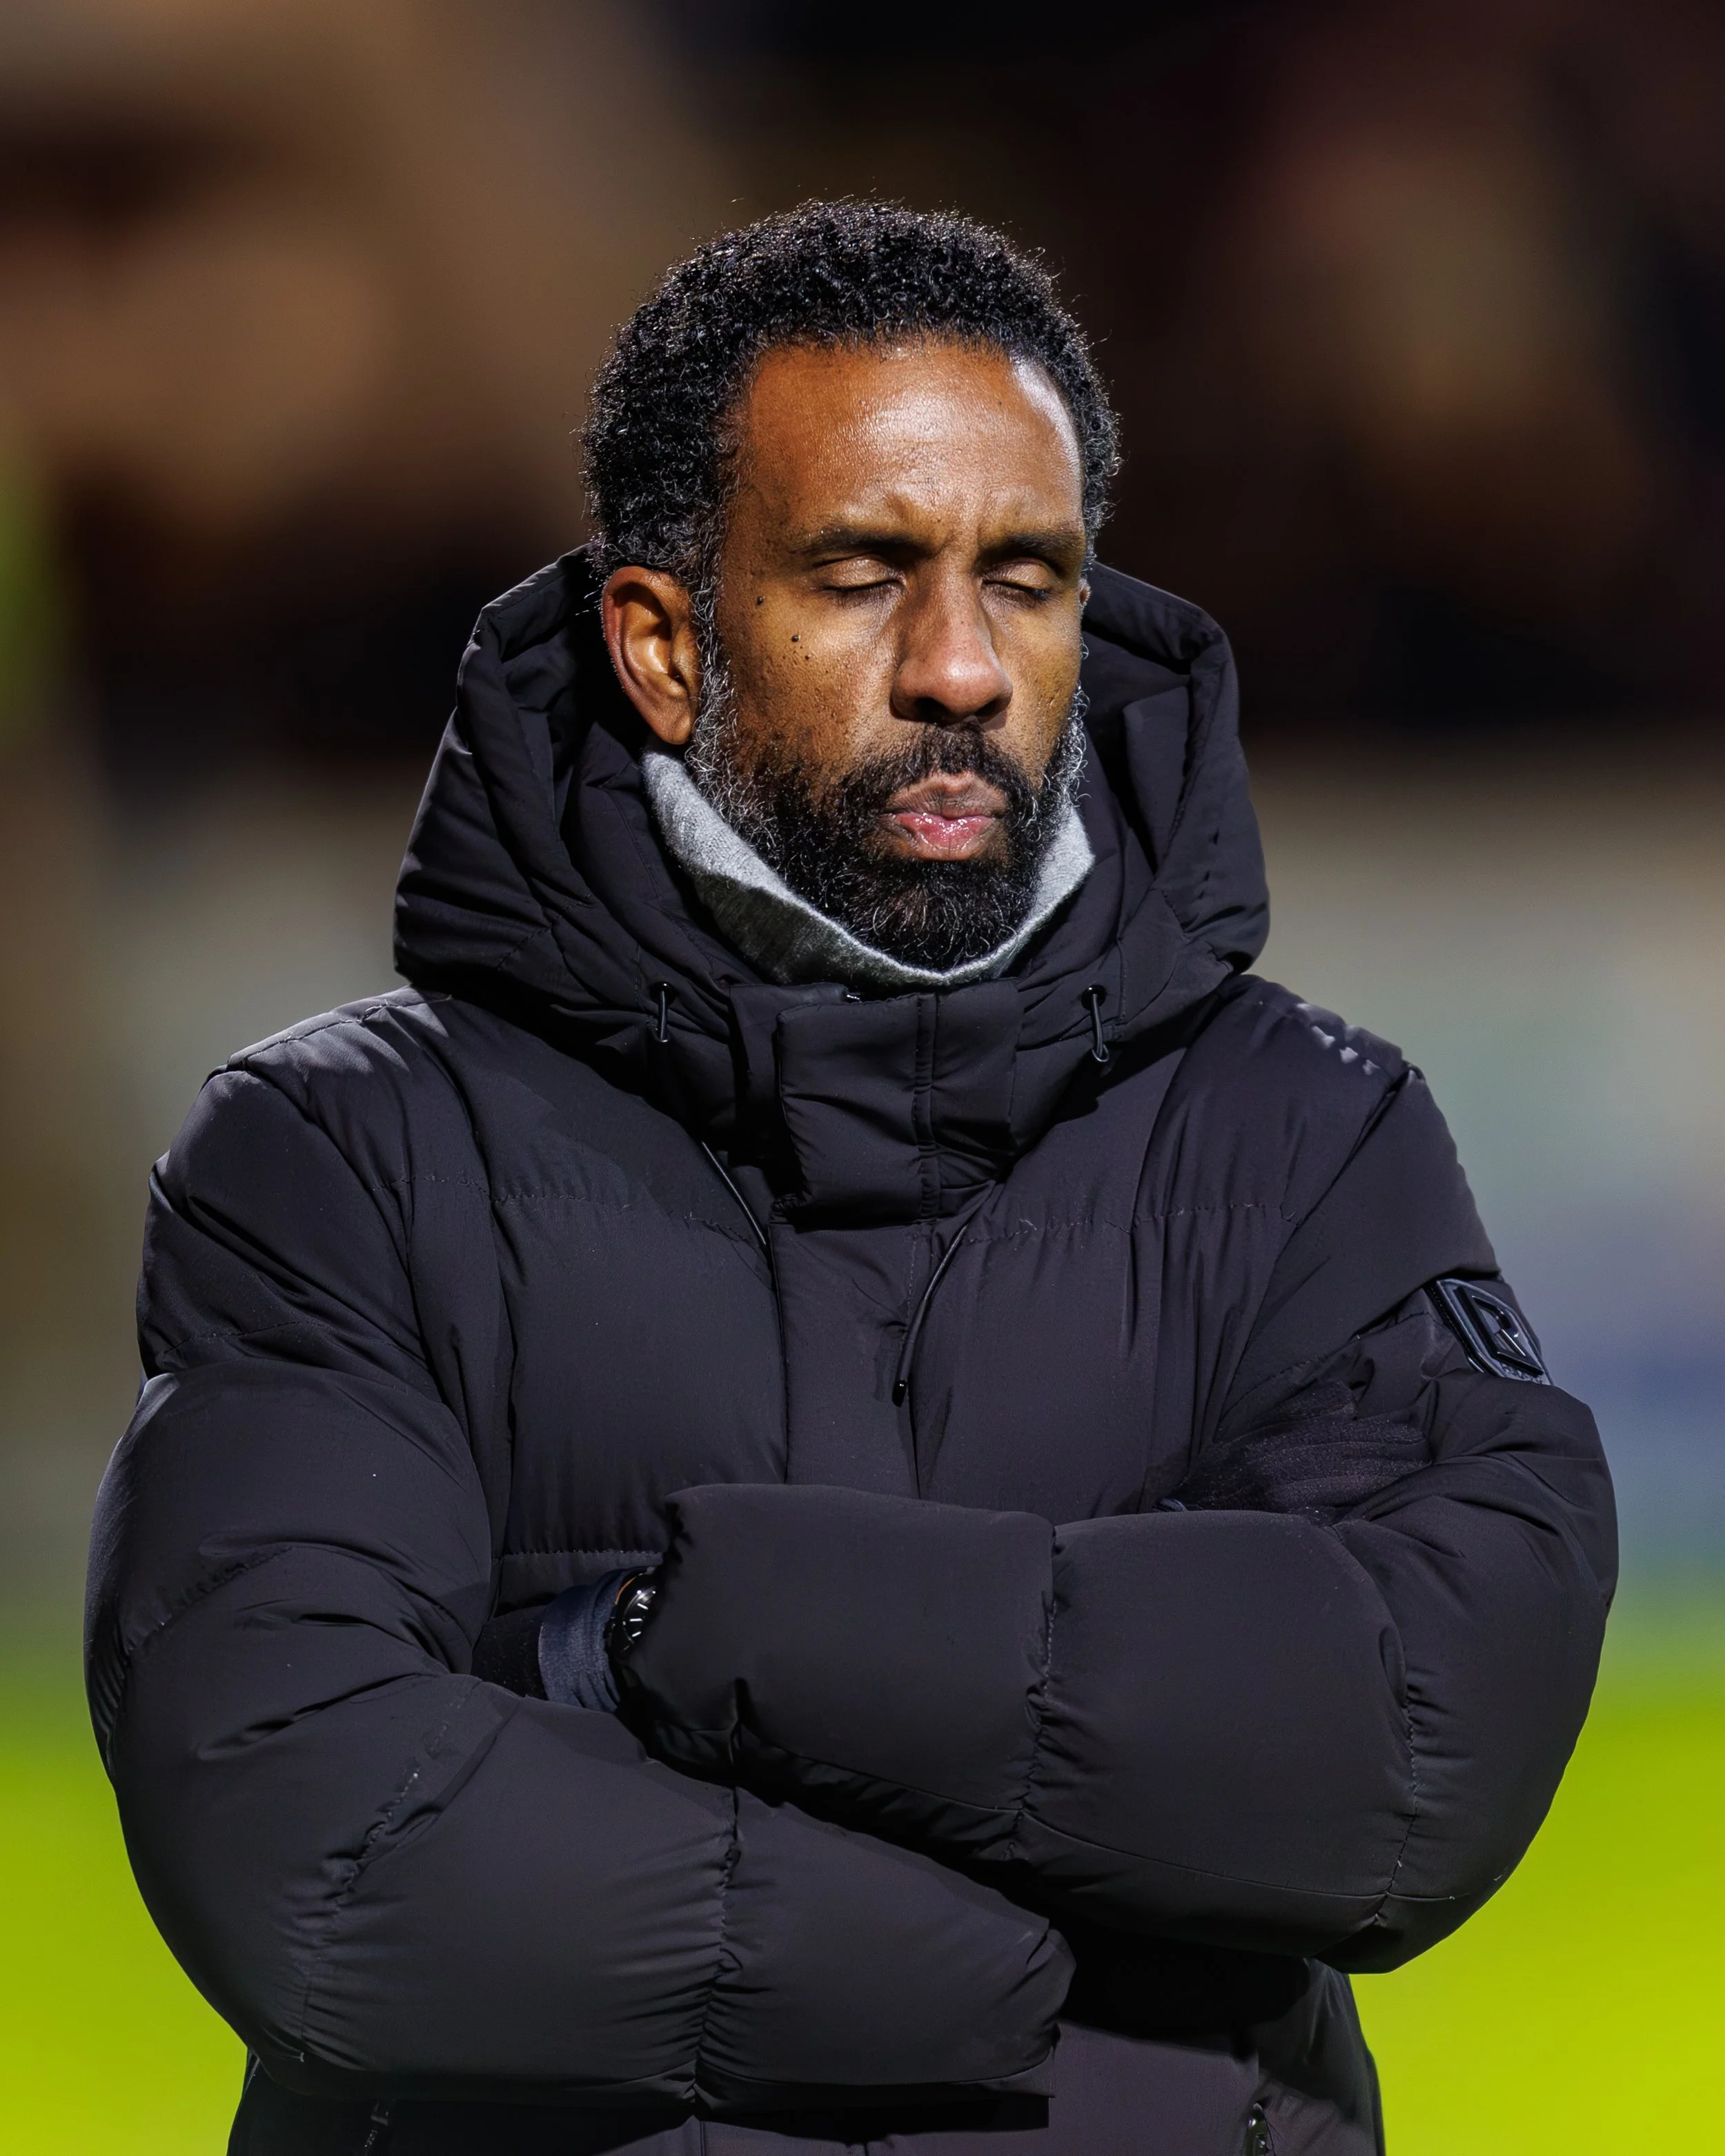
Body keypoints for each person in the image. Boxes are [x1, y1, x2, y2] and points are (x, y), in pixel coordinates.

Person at [86, 203, 1615, 2156]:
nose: (963, 665)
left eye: (1027, 578)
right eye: (864, 572)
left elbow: (1414, 1736)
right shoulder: (335, 1156)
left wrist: (657, 1641)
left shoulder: (1307, 1132)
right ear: (659, 642)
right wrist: (1002, 1980)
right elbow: (312, 1842)